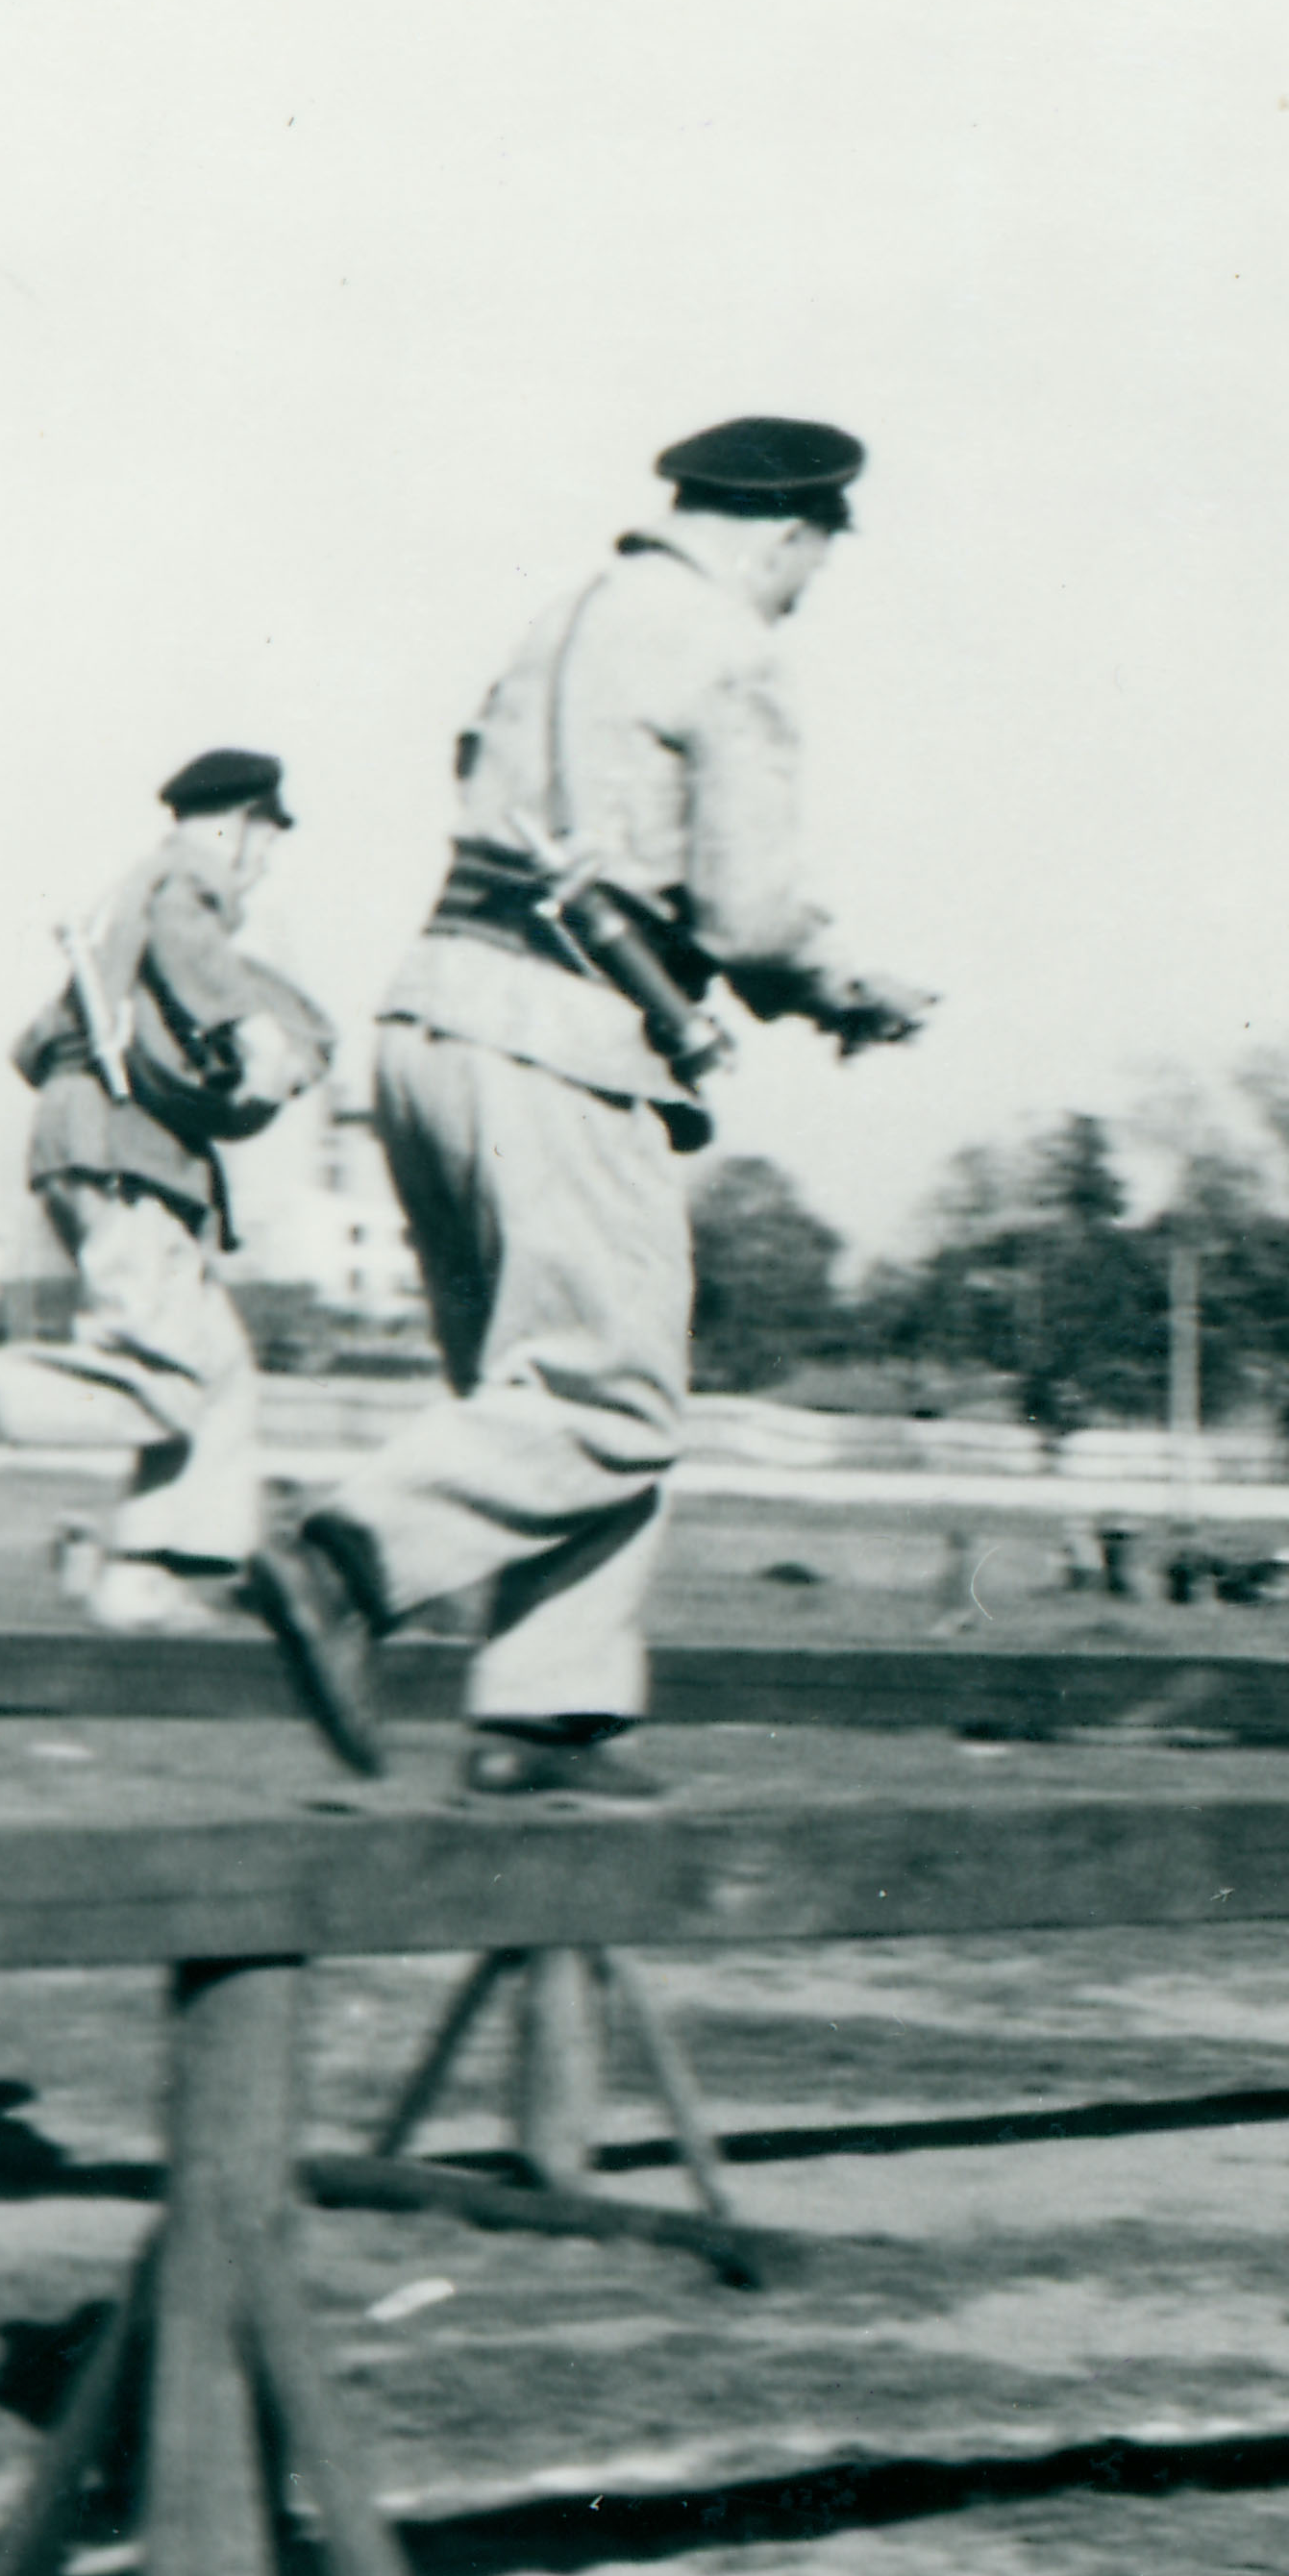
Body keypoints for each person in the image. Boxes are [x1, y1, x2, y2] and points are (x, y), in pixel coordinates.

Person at [248, 417, 927, 1796]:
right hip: (568, 1039)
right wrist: (840, 986)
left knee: (542, 1390)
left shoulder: (560, 623)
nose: (802, 592)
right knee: (607, 1395)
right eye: (811, 564)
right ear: (788, 532)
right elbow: (748, 912)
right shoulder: (731, 649)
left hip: (433, 1025)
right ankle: (339, 1560)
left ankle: (548, 1715)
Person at [0, 750, 330, 1629]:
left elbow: (32, 1046)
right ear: (242, 820)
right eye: (267, 837)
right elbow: (193, 946)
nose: (265, 860)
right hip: (126, 1149)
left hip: (103, 1139)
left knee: (219, 1371)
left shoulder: (122, 899)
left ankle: (145, 1575)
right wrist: (249, 1034)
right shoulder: (181, 878)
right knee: (167, 1374)